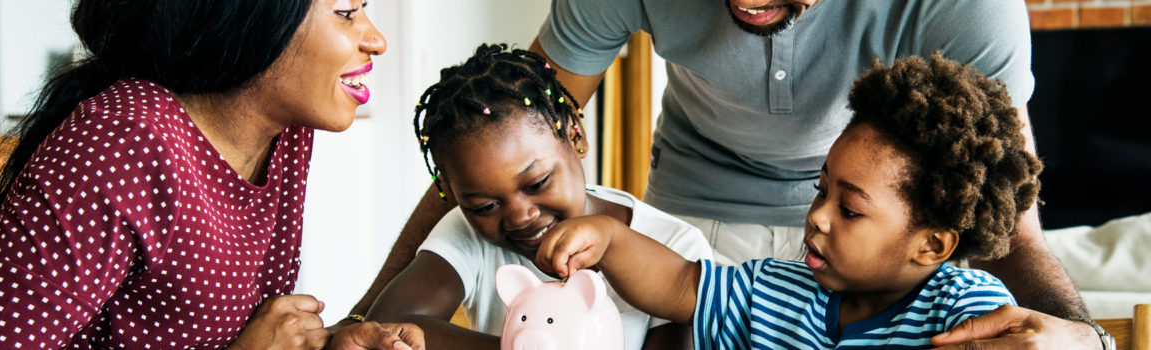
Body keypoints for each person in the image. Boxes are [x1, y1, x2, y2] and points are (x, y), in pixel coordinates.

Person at [350, 1, 1105, 348]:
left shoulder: (955, 300)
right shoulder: (770, 293)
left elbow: (1010, 233)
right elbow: (493, 131)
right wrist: (357, 323)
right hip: (698, 212)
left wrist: (1088, 342)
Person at [0, 1, 423, 349]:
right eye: (346, 12)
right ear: (253, 17)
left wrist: (332, 342)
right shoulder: (123, 141)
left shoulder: (286, 133)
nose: (376, 39)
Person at [535, 54, 1040, 349]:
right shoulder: (776, 289)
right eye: (822, 190)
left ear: (932, 245)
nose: (817, 215)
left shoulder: (965, 306)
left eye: (849, 209)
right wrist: (609, 238)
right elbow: (681, 282)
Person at [327, 44, 711, 350]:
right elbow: (394, 319)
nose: (520, 217)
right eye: (485, 206)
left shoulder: (673, 245)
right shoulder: (467, 233)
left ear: (575, 137)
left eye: (538, 183)